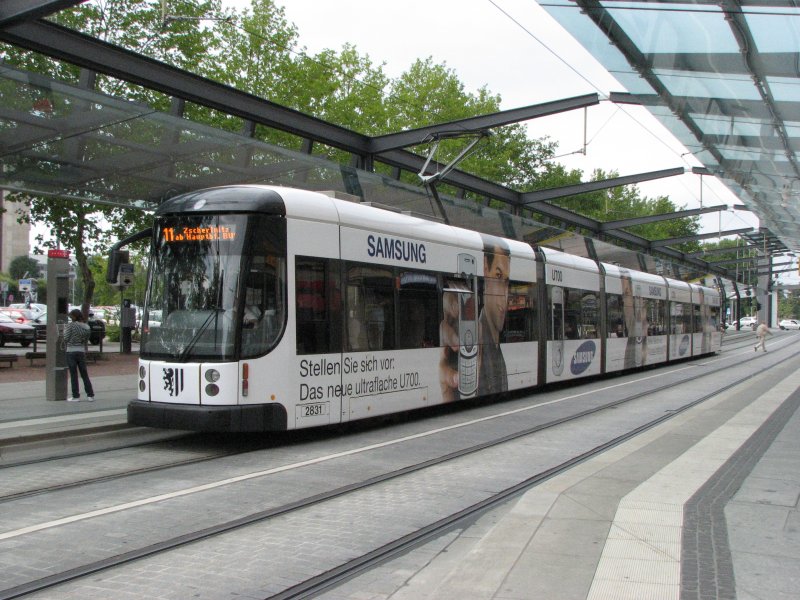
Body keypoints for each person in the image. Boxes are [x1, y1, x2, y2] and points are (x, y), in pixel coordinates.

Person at [64, 308, 95, 401]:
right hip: (81, 351)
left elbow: (66, 338)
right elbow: (86, 340)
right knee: (84, 374)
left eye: (71, 316)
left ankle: (75, 396)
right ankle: (90, 395)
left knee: (73, 374)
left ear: (74, 317)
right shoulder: (87, 327)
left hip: (71, 351)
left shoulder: (71, 326)